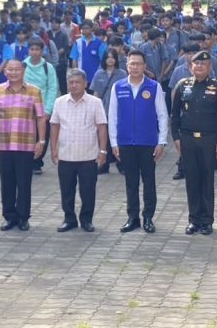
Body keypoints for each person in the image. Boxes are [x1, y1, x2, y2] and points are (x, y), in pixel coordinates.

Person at [170, 51, 217, 235]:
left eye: (203, 64)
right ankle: (193, 220)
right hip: (187, 139)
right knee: (192, 180)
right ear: (191, 67)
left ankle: (207, 221)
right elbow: (175, 114)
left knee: (207, 180)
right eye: (196, 64)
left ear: (209, 67)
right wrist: (176, 137)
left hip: (209, 139)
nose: (199, 67)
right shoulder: (182, 85)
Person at [108, 50, 168, 234]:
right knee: (131, 182)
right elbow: (112, 115)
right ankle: (132, 217)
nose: (135, 67)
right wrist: (114, 143)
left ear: (144, 66)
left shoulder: (154, 87)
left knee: (149, 181)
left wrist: (161, 141)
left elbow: (162, 115)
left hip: (148, 142)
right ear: (127, 66)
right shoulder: (118, 87)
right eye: (132, 64)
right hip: (125, 142)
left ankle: (148, 217)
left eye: (139, 64)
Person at [0, 59, 46, 231]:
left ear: (23, 71)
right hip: (4, 144)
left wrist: (41, 141)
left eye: (17, 69)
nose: (13, 73)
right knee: (7, 182)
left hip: (26, 144)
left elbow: (40, 117)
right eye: (10, 69)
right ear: (5, 71)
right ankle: (9, 216)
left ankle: (23, 217)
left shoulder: (34, 91)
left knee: (24, 182)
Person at [50, 68, 108, 232]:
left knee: (88, 190)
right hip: (66, 154)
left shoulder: (95, 102)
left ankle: (86, 219)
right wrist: (53, 149)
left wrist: (103, 151)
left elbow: (101, 127)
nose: (74, 85)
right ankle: (69, 219)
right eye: (71, 82)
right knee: (66, 190)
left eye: (77, 82)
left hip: (88, 155)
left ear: (85, 84)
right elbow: (55, 126)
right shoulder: (59, 102)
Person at [23, 37, 58, 176]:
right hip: (25, 109)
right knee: (26, 136)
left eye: (37, 49)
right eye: (32, 49)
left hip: (42, 108)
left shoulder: (48, 68)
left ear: (42, 51)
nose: (34, 52)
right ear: (28, 50)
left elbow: (53, 88)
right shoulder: (23, 66)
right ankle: (26, 161)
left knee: (42, 136)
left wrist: (48, 110)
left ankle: (37, 162)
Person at [89, 48, 126, 173]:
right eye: (108, 57)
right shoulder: (99, 74)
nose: (110, 60)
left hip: (118, 112)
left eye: (112, 57)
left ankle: (121, 165)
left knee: (118, 138)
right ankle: (103, 165)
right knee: (103, 139)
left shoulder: (122, 74)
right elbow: (95, 94)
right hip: (103, 111)